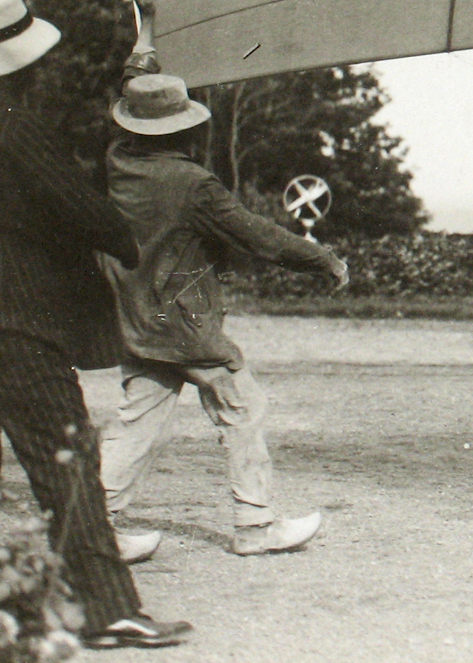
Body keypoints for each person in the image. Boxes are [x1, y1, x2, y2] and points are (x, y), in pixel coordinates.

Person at [0, 0, 191, 650]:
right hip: (8, 315)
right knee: (64, 457)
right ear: (22, 62)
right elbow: (79, 209)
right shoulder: (12, 123)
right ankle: (109, 610)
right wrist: (120, 233)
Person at [97, 38, 348, 559]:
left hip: (138, 315)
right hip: (186, 321)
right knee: (241, 404)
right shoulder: (192, 184)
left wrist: (138, 65)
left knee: (138, 420)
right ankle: (255, 525)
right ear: (183, 128)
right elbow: (257, 235)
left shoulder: (117, 162)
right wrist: (320, 259)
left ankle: (94, 528)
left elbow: (132, 104)